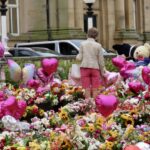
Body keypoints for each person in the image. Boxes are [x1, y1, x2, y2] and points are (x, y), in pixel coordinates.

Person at [76, 27, 106, 99]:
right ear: (96, 36)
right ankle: (94, 105)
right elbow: (101, 61)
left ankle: (88, 104)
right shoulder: (98, 45)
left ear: (87, 34)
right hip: (95, 68)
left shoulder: (82, 44)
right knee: (95, 88)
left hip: (85, 67)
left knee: (86, 88)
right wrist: (102, 72)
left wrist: (77, 56)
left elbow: (79, 58)